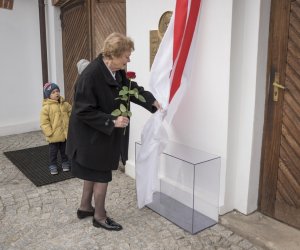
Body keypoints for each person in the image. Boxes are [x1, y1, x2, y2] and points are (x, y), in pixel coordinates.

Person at [66, 32, 161, 231]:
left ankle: (85, 207)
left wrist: (150, 100)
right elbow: (82, 110)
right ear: (112, 56)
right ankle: (99, 216)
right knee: (101, 174)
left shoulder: (114, 71)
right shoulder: (91, 75)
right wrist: (112, 120)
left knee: (93, 171)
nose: (129, 59)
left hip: (99, 134)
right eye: (126, 56)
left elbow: (130, 88)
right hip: (90, 135)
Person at [40, 82, 72, 175]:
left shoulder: (65, 104)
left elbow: (72, 113)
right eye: (53, 92)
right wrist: (49, 132)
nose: (56, 93)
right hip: (53, 135)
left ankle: (65, 162)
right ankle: (53, 165)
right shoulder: (46, 108)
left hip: (64, 133)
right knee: (53, 152)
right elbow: (44, 122)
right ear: (48, 95)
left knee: (65, 150)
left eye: (57, 91)